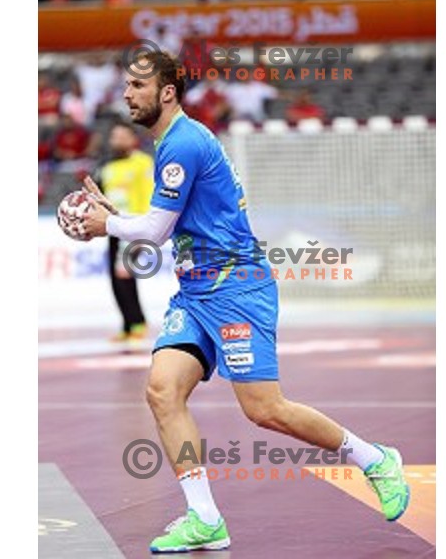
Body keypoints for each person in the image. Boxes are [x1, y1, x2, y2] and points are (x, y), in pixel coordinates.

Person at [80, 51, 410, 553]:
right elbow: (164, 225)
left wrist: (109, 224)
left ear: (166, 91)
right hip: (196, 291)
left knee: (265, 410)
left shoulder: (184, 143)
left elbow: (154, 230)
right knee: (163, 391)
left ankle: (374, 460)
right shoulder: (173, 143)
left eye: (137, 86)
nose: (126, 93)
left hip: (236, 289)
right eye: (125, 84)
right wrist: (119, 216)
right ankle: (205, 517)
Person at [100, 123, 154, 341]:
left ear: (133, 139)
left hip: (134, 226)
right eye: (114, 136)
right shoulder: (107, 167)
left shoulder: (143, 163)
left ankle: (138, 322)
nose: (117, 140)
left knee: (125, 275)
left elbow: (149, 195)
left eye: (122, 136)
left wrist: (144, 230)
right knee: (115, 277)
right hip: (113, 226)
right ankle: (127, 324)